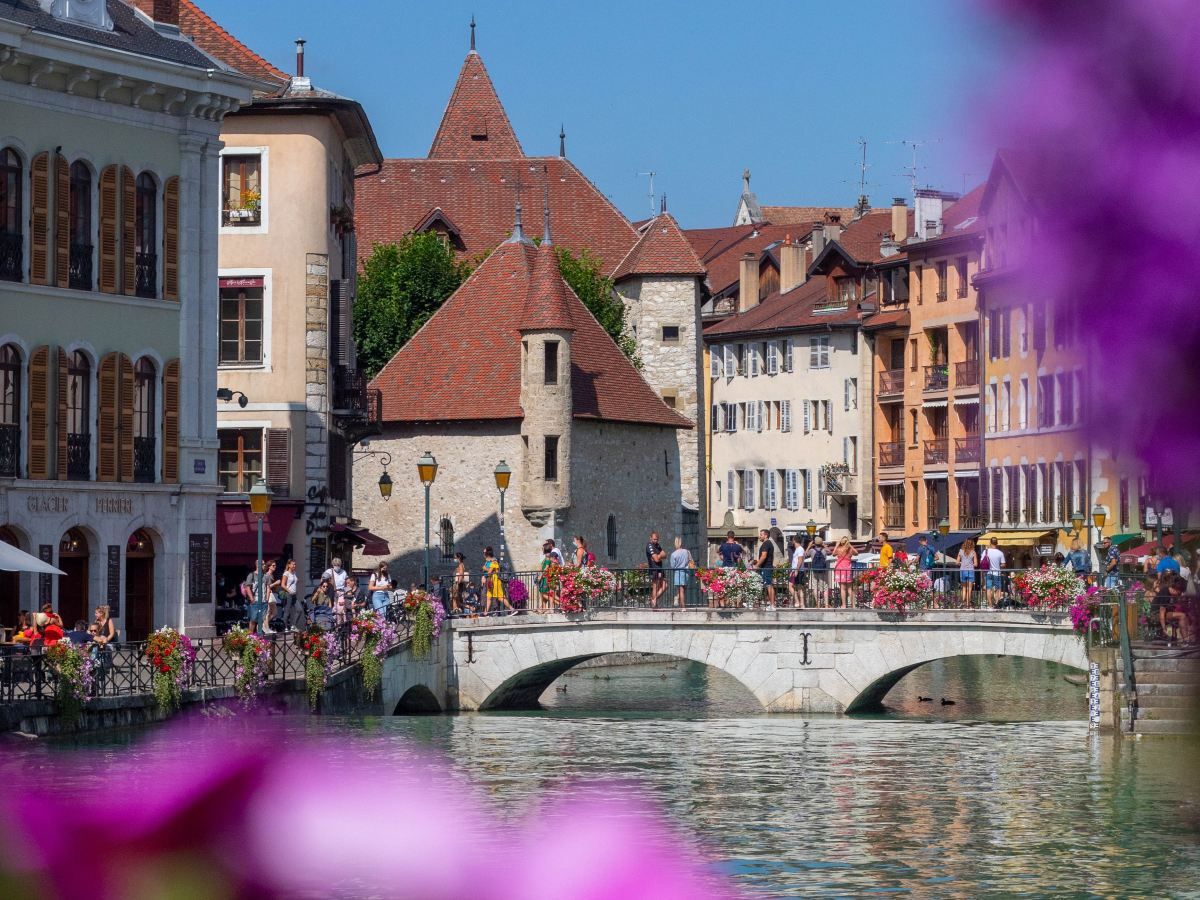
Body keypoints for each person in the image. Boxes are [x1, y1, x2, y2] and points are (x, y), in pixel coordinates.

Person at [482, 547, 515, 616]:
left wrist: (485, 568)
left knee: (500, 597)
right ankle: (485, 613)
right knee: (489, 597)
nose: (483, 554)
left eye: (484, 553)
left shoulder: (494, 561)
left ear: (487, 554)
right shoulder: (489, 562)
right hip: (491, 582)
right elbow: (489, 571)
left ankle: (512, 609)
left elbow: (489, 572)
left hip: (495, 582)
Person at [668, 536, 693, 608]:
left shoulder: (673, 554)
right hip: (686, 572)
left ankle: (683, 606)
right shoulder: (687, 552)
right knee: (683, 589)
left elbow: (673, 566)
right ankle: (679, 601)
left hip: (678, 572)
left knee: (681, 590)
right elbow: (690, 560)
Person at [984, 538, 1007, 606]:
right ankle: (997, 603)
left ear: (990, 543)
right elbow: (1003, 564)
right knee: (998, 589)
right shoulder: (1000, 553)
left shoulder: (986, 551)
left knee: (988, 589)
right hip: (997, 573)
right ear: (997, 543)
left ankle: (990, 605)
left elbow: (982, 561)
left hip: (988, 572)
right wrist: (999, 565)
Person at [646, 532, 666, 607]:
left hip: (660, 569)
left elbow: (665, 555)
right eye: (654, 539)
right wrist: (660, 556)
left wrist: (659, 556)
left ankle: (653, 600)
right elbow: (656, 559)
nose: (655, 541)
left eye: (657, 539)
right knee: (655, 586)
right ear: (650, 538)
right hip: (654, 569)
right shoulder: (649, 546)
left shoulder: (657, 545)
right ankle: (654, 603)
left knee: (665, 585)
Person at [833, 537, 854, 608]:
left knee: (842, 588)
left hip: (840, 569)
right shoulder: (850, 550)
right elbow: (857, 553)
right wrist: (850, 545)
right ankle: (853, 605)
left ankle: (844, 605)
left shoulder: (839, 549)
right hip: (848, 569)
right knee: (849, 588)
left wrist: (836, 545)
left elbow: (833, 554)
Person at [537, 544, 558, 613]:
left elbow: (546, 568)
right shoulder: (547, 557)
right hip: (544, 577)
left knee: (544, 593)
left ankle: (558, 604)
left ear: (545, 549)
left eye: (543, 548)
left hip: (545, 578)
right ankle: (544, 608)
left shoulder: (548, 557)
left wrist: (541, 575)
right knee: (543, 592)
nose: (542, 549)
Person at [957, 539, 977, 608]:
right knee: (969, 588)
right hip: (970, 571)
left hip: (962, 570)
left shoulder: (960, 551)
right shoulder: (973, 552)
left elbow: (957, 562)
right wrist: (970, 564)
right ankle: (968, 604)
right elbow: (976, 564)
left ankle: (963, 603)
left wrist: (962, 563)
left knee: (964, 588)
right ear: (972, 545)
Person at [809, 539, 829, 608]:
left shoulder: (812, 550)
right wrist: (824, 546)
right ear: (821, 543)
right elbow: (830, 552)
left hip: (814, 571)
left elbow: (805, 554)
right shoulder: (824, 550)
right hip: (823, 571)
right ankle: (826, 605)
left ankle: (818, 603)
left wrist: (809, 546)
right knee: (825, 588)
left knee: (815, 587)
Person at [789, 536, 805, 608]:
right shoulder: (798, 549)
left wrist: (796, 570)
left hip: (798, 570)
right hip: (796, 570)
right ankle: (801, 603)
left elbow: (800, 560)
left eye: (792, 540)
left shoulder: (800, 549)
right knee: (798, 587)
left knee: (791, 586)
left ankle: (798, 602)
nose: (792, 542)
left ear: (794, 540)